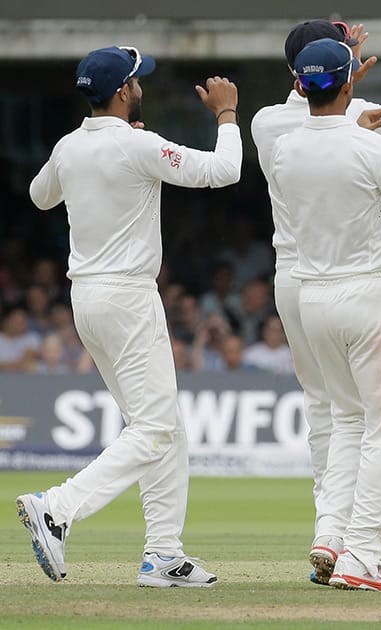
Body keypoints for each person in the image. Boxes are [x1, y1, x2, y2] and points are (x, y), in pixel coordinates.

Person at [19, 45, 240, 586]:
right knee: (156, 427)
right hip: (126, 297)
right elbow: (226, 170)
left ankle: (163, 554)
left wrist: (105, 166)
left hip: (88, 299)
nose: (141, 85)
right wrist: (227, 115)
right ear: (123, 91)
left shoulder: (71, 146)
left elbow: (39, 195)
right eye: (137, 80)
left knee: (165, 429)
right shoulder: (138, 143)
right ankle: (58, 507)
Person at [250, 3, 381, 586]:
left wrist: (339, 80)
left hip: (302, 287)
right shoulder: (367, 132)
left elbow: (318, 123)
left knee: (338, 415)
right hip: (363, 290)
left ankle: (330, 532)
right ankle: (363, 553)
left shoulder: (273, 135)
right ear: (349, 78)